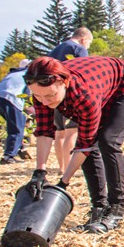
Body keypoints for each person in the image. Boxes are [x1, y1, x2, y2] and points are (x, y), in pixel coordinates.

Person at [23, 55, 124, 234]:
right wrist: (39, 173)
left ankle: (117, 210)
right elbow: (44, 132)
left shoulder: (85, 96)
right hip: (104, 86)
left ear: (64, 82)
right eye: (37, 96)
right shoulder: (42, 91)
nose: (45, 102)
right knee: (89, 145)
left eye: (50, 95)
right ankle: (99, 208)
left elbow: (84, 146)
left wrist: (63, 183)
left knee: (108, 140)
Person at [47, 28, 94, 175]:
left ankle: (62, 167)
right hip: (70, 94)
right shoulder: (79, 49)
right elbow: (84, 72)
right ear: (84, 39)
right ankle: (69, 169)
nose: (87, 46)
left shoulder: (56, 50)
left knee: (59, 132)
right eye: (89, 43)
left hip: (54, 95)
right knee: (71, 132)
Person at [0, 59, 32, 164]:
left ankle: (19, 148)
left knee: (14, 124)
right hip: (10, 98)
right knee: (17, 128)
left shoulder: (13, 73)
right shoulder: (29, 74)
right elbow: (28, 94)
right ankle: (8, 156)